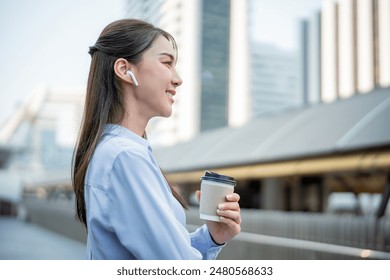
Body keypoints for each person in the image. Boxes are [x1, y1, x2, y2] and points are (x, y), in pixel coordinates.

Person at [72, 19, 241, 260]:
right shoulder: (125, 156)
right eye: (166, 63)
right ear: (124, 70)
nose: (178, 79)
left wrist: (212, 237)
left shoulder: (118, 151)